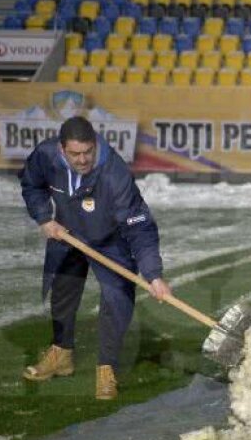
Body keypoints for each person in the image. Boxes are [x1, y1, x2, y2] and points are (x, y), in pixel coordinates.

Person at [19, 116, 172, 400]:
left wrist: (153, 275)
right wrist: (44, 217)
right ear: (61, 149)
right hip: (67, 232)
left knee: (117, 298)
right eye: (75, 153)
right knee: (62, 292)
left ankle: (107, 367)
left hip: (110, 240)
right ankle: (61, 354)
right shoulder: (46, 155)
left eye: (88, 151)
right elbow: (31, 184)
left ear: (95, 144)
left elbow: (140, 227)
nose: (82, 159)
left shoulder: (115, 173)